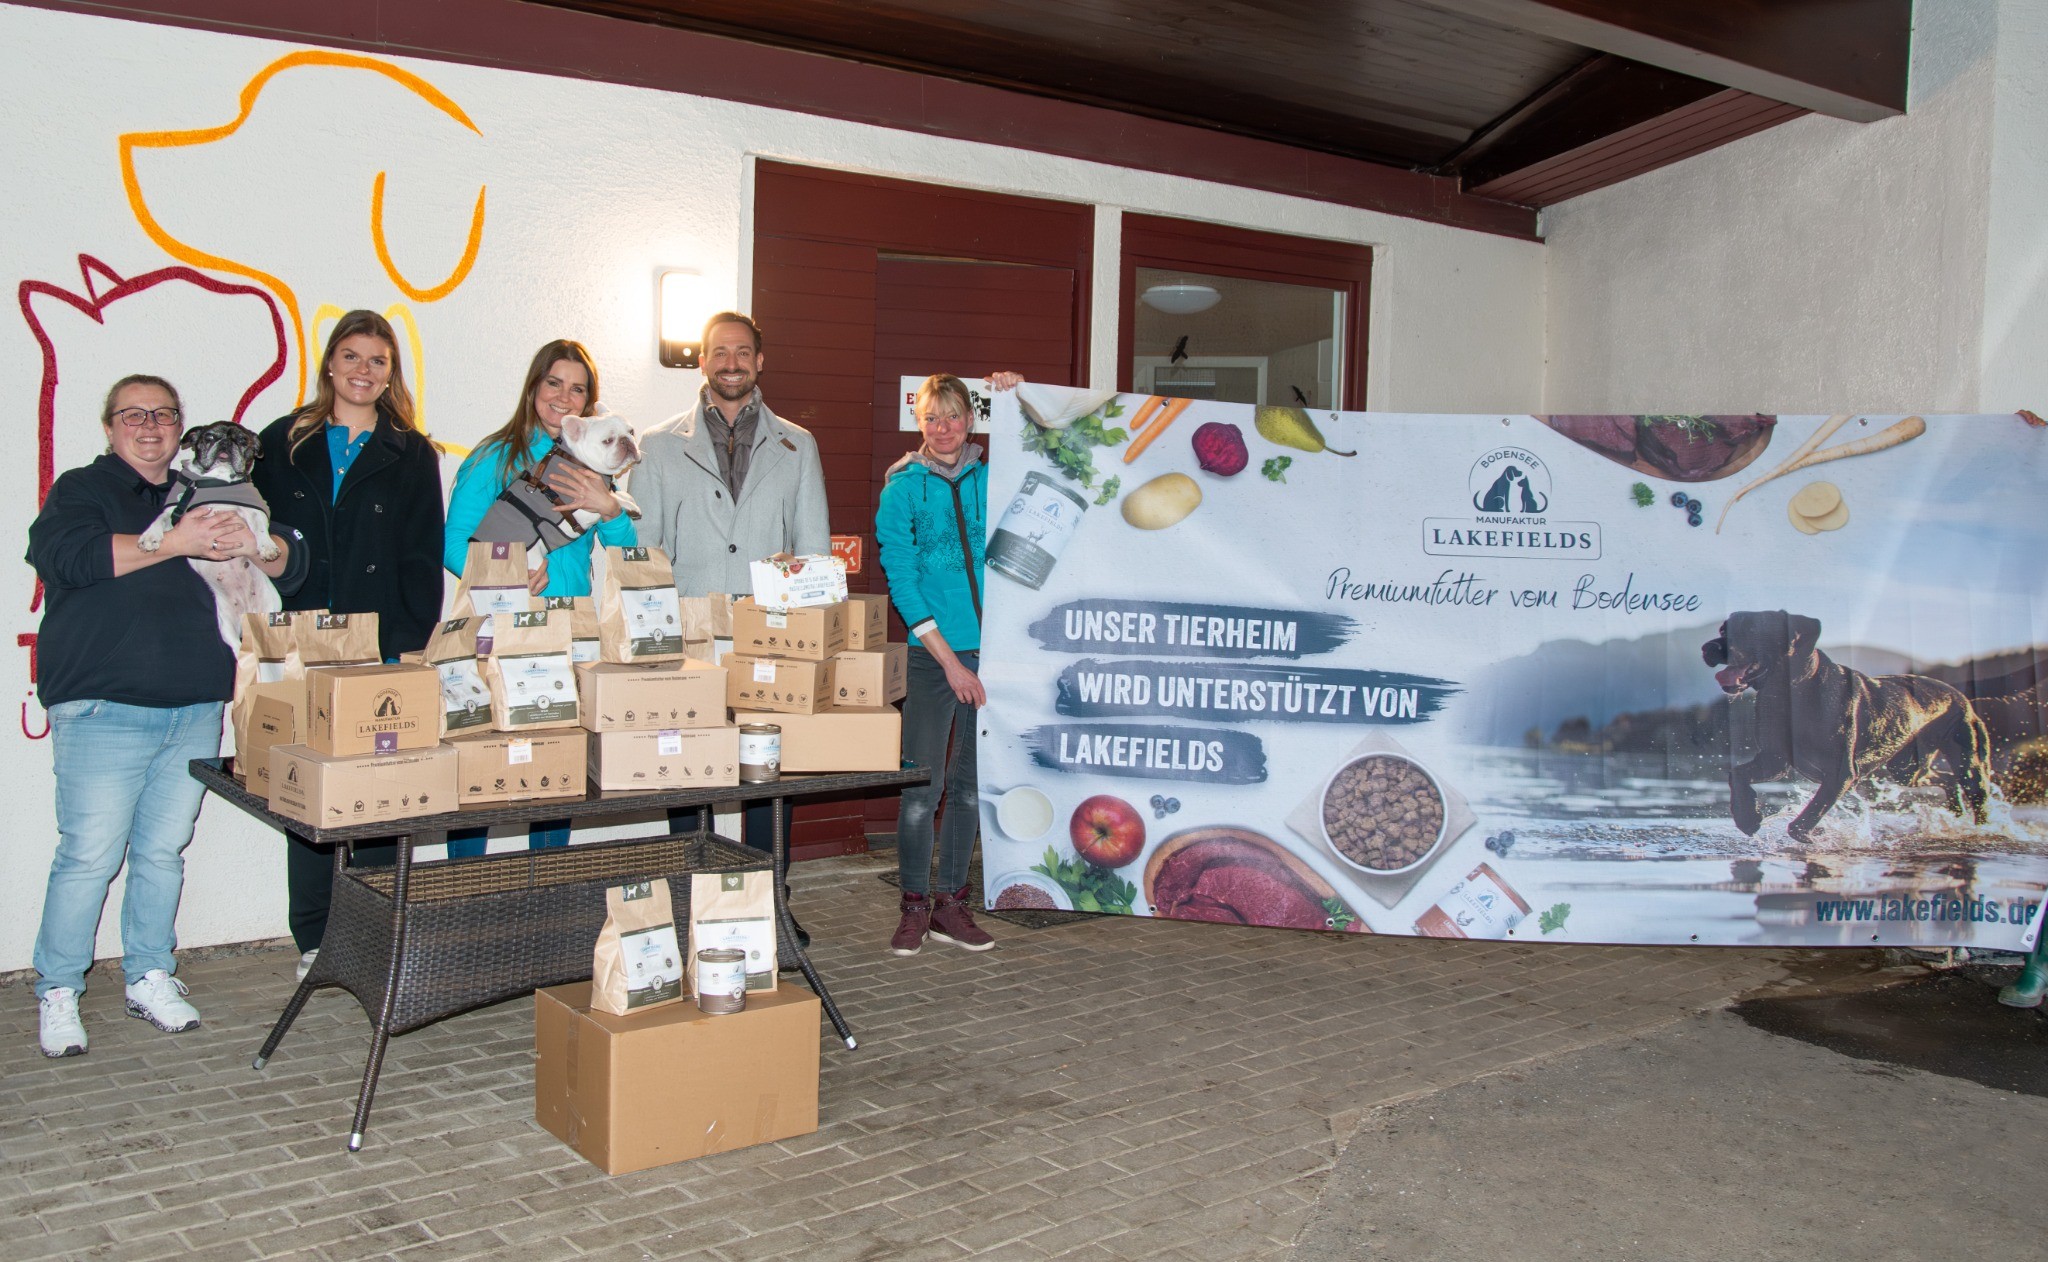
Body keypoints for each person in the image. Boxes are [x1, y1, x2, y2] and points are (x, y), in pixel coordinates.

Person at [28, 374, 303, 1057]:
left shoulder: (211, 490)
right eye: (133, 414)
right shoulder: (84, 489)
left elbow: (291, 566)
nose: (149, 425)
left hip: (196, 704)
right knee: (89, 856)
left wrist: (260, 545)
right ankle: (59, 989)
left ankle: (149, 973)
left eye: (163, 414)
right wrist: (174, 542)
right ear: (109, 426)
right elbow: (62, 557)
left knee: (161, 852)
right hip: (102, 704)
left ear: (181, 429)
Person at [252, 310, 445, 979]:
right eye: (352, 356)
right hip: (301, 637)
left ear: (391, 374)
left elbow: (421, 555)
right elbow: (254, 531)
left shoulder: (411, 452)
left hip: (379, 643)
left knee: (382, 794)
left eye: (378, 361)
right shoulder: (282, 441)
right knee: (305, 789)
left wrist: (410, 648)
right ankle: (313, 936)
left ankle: (375, 934)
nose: (364, 370)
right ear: (330, 363)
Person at [632, 312, 829, 944]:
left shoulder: (798, 445)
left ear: (760, 361)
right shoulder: (659, 445)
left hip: (769, 638)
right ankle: (693, 903)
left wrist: (810, 638)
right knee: (689, 769)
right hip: (688, 637)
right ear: (703, 361)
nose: (732, 363)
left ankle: (771, 903)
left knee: (769, 770)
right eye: (720, 352)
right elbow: (643, 553)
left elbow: (814, 549)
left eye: (743, 352)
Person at [442, 340, 635, 855]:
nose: (564, 397)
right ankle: (466, 886)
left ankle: (546, 882)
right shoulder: (496, 455)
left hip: (571, 628)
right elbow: (454, 543)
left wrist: (610, 509)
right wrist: (505, 576)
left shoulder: (597, 461)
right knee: (482, 763)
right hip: (501, 626)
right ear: (533, 387)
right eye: (554, 383)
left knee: (557, 766)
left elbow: (624, 554)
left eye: (578, 389)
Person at [875, 371, 1019, 954]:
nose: (943, 428)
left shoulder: (997, 476)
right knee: (922, 789)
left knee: (968, 789)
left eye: (953, 415)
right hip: (934, 658)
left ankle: (951, 906)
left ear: (971, 419)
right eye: (931, 417)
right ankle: (913, 905)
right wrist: (952, 665)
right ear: (919, 422)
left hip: (995, 654)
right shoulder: (902, 489)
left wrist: (1015, 394)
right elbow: (903, 583)